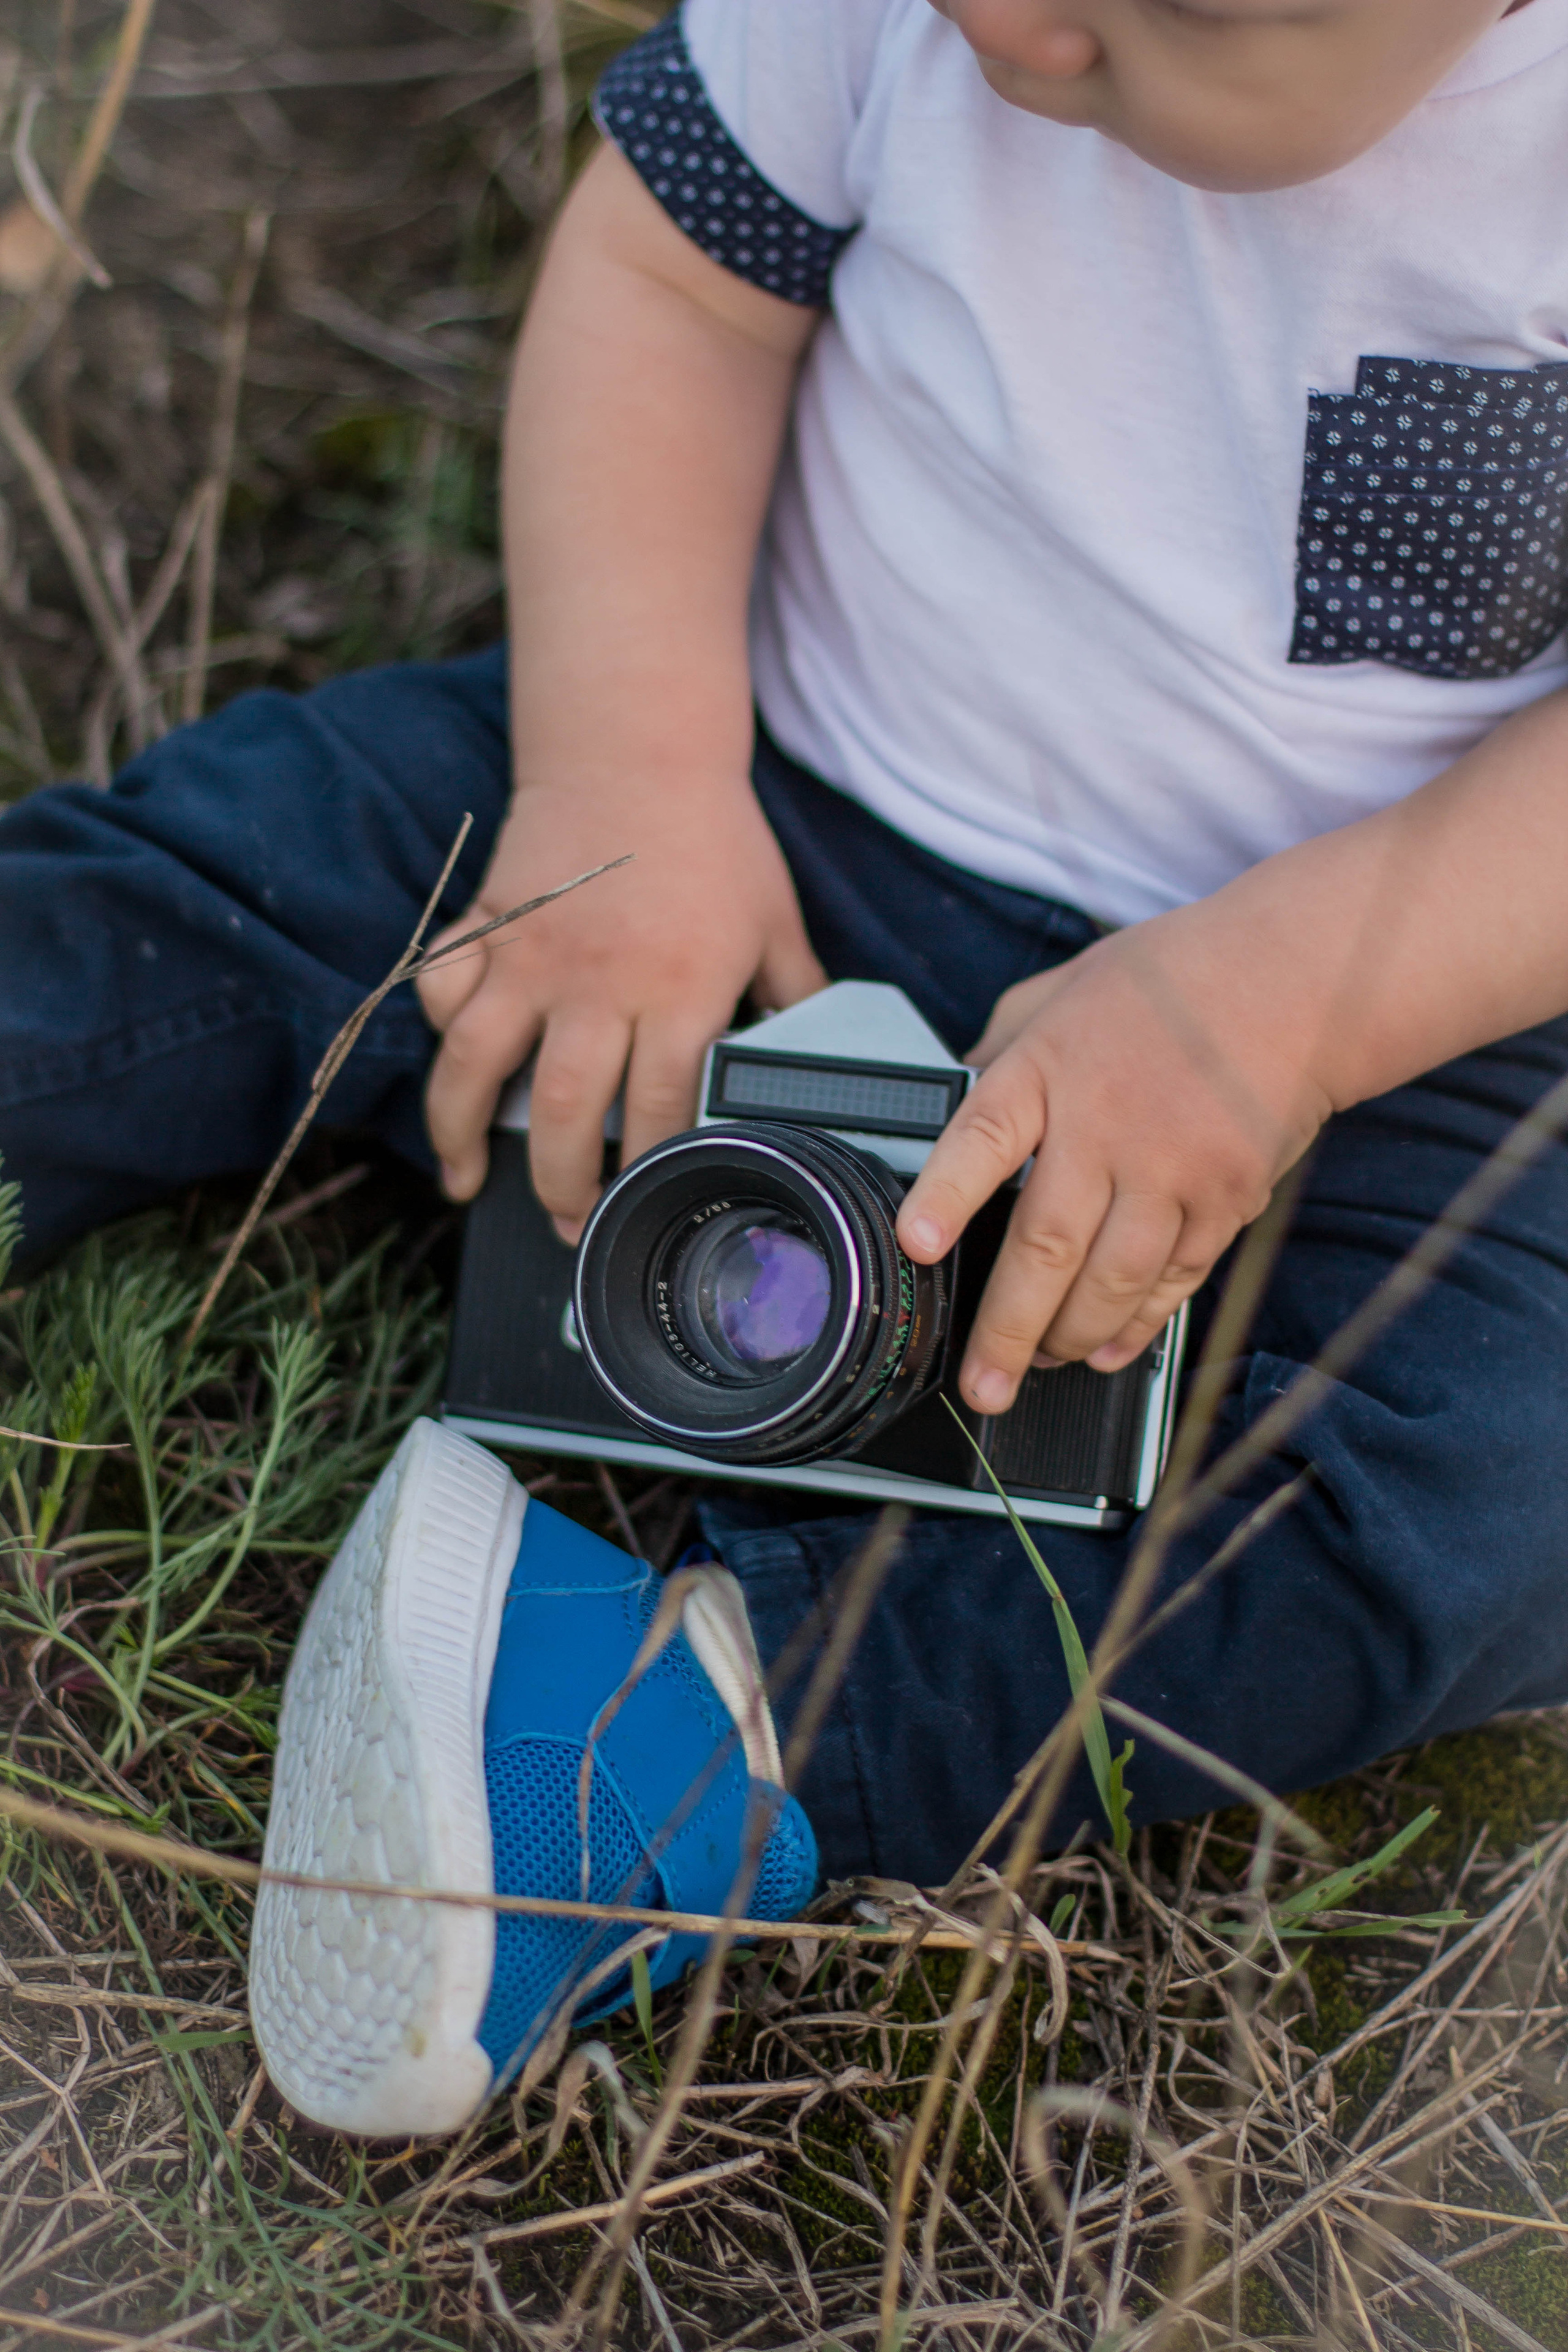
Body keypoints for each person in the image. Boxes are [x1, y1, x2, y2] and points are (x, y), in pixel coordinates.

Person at [6, 0, 1568, 2134]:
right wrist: (627, 767)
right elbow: (673, 277)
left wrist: (1288, 1004)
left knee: (1507, 1468)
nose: (1007, 11)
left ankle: (652, 1750)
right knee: (256, 879)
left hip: (1354, 1037)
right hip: (747, 827)